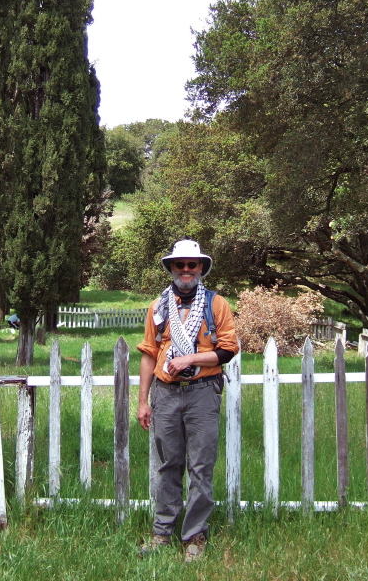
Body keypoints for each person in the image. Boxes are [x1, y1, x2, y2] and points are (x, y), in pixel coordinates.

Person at [136, 239, 239, 563]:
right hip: (165, 395)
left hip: (202, 393)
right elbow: (149, 355)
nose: (185, 270)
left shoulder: (216, 304)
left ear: (200, 268)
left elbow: (228, 349)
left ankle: (195, 535)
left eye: (191, 265)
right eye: (179, 264)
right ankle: (162, 532)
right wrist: (143, 401)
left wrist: (191, 358)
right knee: (168, 466)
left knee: (201, 466)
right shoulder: (158, 307)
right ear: (171, 268)